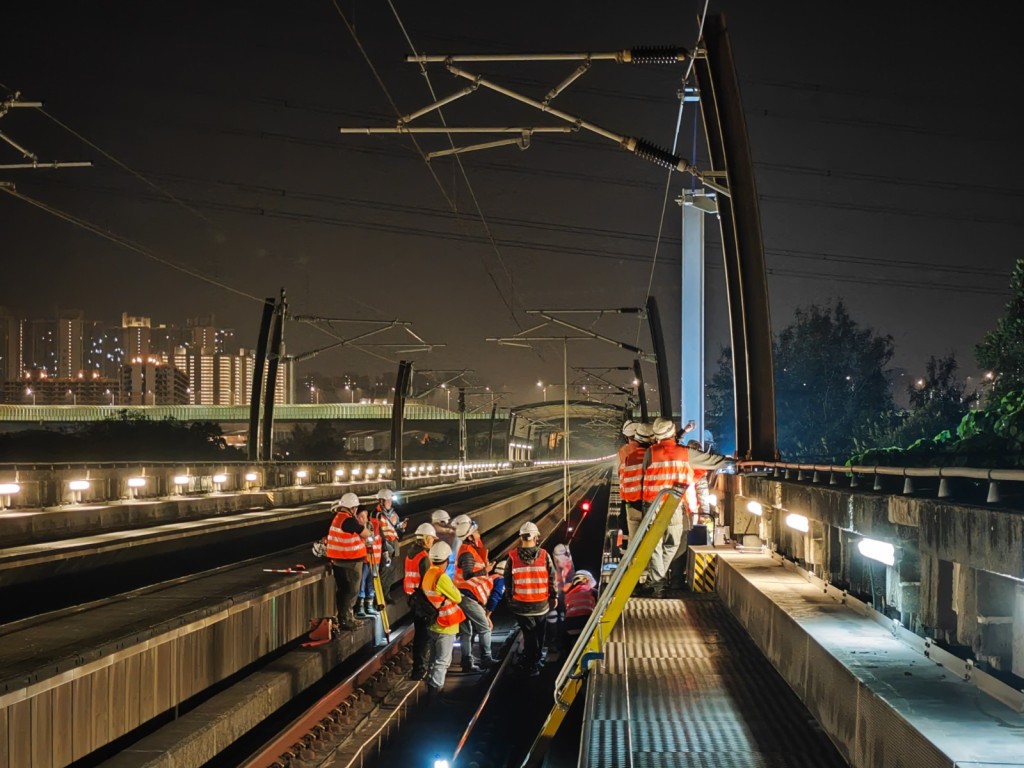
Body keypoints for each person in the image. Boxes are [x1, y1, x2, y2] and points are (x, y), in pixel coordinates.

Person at [640, 417, 730, 596]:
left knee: (654, 545)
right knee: (672, 544)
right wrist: (736, 461)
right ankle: (656, 581)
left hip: (651, 504)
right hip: (673, 505)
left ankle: (655, 582)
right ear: (673, 432)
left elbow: (645, 473)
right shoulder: (686, 453)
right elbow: (713, 460)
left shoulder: (650, 452)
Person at [501, 521, 557, 677]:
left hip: (521, 606)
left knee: (529, 634)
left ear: (521, 538)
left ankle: (530, 661)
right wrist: (554, 596)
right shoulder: (544, 555)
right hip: (541, 605)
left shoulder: (512, 556)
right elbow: (552, 578)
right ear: (536, 537)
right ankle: (536, 661)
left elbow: (507, 581)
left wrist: (510, 599)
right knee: (540, 633)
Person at [452, 514, 496, 671]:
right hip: (468, 597)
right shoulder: (467, 552)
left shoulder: (468, 550)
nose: (479, 534)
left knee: (466, 632)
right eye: (476, 532)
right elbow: (468, 574)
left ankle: (467, 662)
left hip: (463, 596)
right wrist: (486, 570)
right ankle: (486, 658)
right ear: (470, 536)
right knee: (484, 628)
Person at [422, 541, 466, 697]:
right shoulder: (442, 577)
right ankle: (435, 693)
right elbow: (457, 597)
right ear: (447, 560)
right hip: (446, 624)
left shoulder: (428, 574)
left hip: (433, 623)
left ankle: (431, 688)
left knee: (433, 659)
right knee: (442, 661)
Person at [324, 492, 372, 630]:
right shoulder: (349, 521)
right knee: (351, 591)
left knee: (344, 591)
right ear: (353, 508)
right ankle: (346, 619)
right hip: (349, 561)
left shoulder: (338, 518)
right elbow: (366, 533)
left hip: (339, 560)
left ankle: (344, 618)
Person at [404, 522, 437, 680]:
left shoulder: (410, 553)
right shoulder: (423, 557)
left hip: (412, 598)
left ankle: (418, 668)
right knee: (425, 636)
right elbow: (427, 582)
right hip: (422, 600)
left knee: (419, 635)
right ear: (425, 538)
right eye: (431, 538)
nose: (432, 541)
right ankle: (420, 669)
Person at [374, 488, 406, 599]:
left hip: (394, 544)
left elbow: (396, 531)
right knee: (384, 572)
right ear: (381, 501)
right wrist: (384, 550)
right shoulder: (376, 515)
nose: (390, 503)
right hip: (385, 545)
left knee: (391, 571)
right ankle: (379, 597)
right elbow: (378, 533)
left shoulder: (394, 514)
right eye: (388, 500)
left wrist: (401, 528)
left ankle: (386, 594)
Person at [562, 569, 597, 653]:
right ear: (587, 580)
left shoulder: (567, 594)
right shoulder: (592, 591)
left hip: (570, 626)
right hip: (586, 624)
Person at [431, 509, 461, 579]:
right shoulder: (446, 533)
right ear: (441, 521)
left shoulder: (433, 531)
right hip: (448, 564)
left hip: (442, 564)